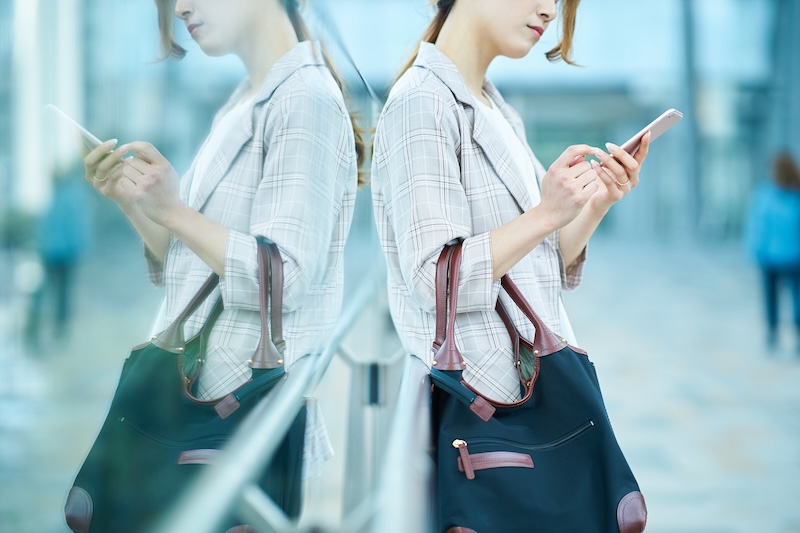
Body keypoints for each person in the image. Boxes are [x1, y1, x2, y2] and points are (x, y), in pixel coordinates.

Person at [82, 0, 362, 516]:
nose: (182, 7)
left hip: (234, 421)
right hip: (202, 411)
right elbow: (194, 270)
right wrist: (135, 203)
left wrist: (173, 210)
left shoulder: (305, 100)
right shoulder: (244, 101)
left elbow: (286, 280)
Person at [372, 0, 650, 404]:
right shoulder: (422, 101)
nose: (550, 12)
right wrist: (545, 215)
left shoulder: (495, 108)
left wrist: (598, 202)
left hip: (531, 393)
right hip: (488, 409)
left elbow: (540, 263)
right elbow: (432, 281)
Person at [25, 164, 91, 347]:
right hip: (57, 253)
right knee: (58, 293)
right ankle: (53, 329)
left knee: (58, 293)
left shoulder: (65, 197)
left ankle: (57, 329)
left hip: (59, 254)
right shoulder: (62, 197)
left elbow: (72, 227)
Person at [744, 151, 800, 351]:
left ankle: (779, 333)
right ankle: (774, 333)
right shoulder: (773, 194)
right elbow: (757, 226)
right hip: (779, 257)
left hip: (785, 258)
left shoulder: (770, 195)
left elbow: (758, 226)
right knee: (782, 298)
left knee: (786, 299)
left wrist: (755, 251)